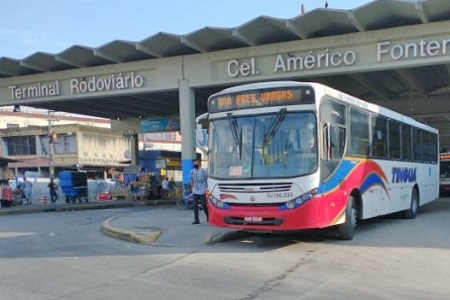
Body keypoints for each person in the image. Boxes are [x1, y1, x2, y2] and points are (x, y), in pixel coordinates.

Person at [189, 159, 209, 224]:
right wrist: (192, 187)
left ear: (199, 164)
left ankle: (208, 217)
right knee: (194, 205)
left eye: (196, 163)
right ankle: (196, 219)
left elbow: (207, 179)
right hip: (195, 191)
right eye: (194, 163)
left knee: (204, 205)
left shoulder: (203, 171)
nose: (195, 165)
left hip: (202, 191)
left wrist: (207, 188)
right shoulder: (192, 172)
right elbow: (191, 180)